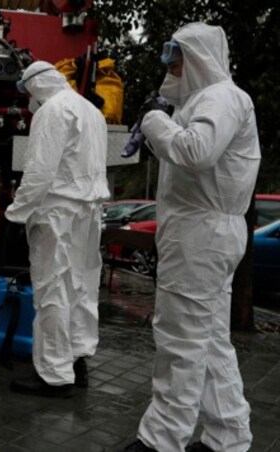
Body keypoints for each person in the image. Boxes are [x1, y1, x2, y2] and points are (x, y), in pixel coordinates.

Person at [123, 23, 258, 452]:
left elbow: (197, 151)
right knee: (211, 340)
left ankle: (161, 440)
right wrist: (165, 120)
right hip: (207, 233)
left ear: (197, 58)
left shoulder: (220, 97)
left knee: (180, 339)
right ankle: (228, 435)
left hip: (201, 236)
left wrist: (154, 120)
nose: (169, 64)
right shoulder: (207, 100)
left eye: (175, 55)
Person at [5, 61, 109, 398]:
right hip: (89, 213)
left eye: (28, 92)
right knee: (82, 287)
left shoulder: (52, 110)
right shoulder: (91, 111)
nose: (29, 100)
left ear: (37, 85)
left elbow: (39, 171)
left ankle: (53, 374)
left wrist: (16, 213)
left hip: (58, 212)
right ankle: (76, 361)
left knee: (53, 288)